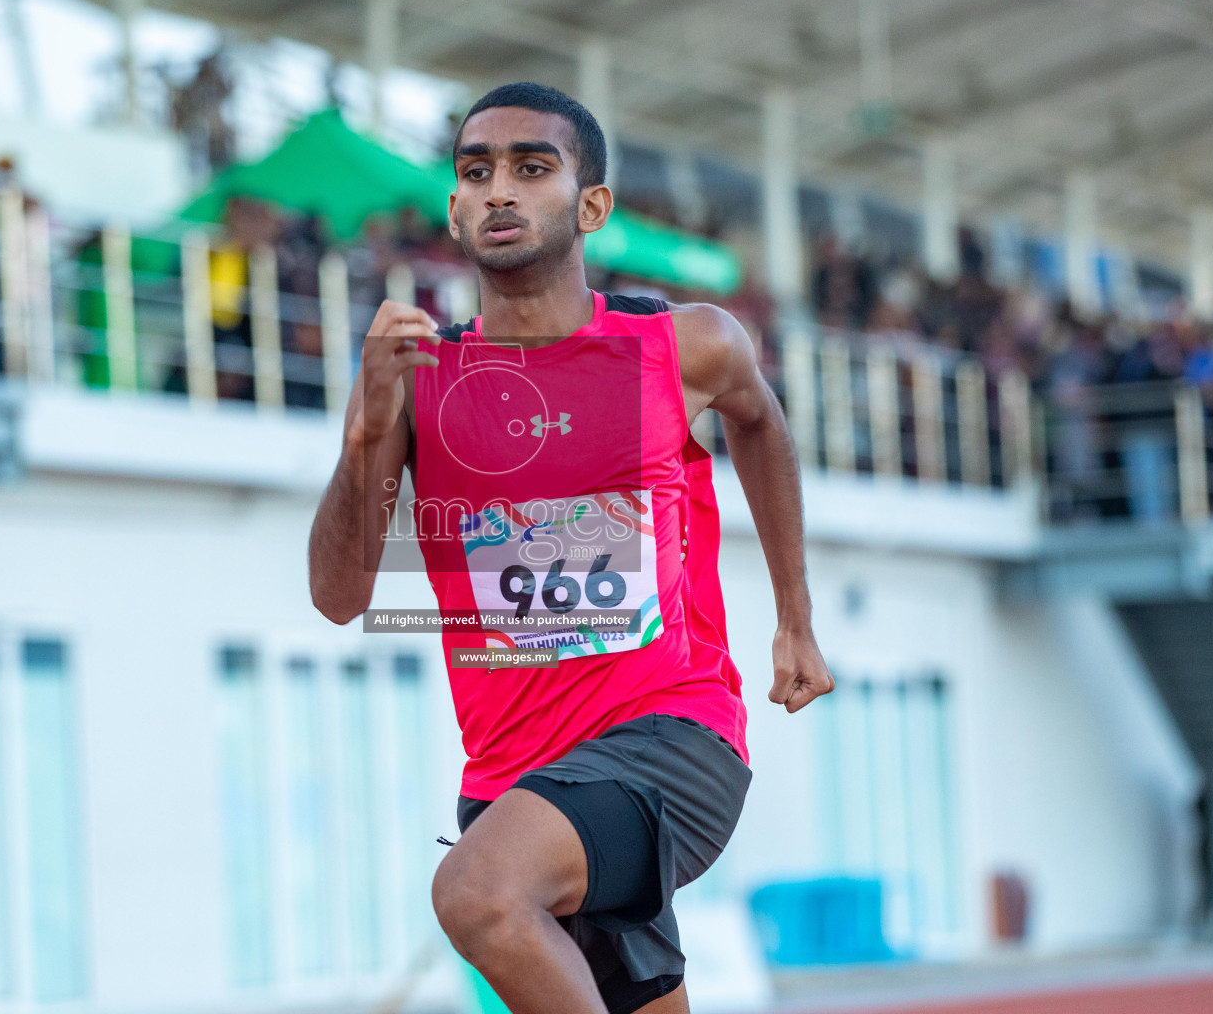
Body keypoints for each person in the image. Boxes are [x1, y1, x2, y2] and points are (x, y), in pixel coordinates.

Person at [308, 82, 832, 1014]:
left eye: (531, 168)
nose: (499, 190)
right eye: (477, 172)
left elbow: (760, 423)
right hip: (514, 779)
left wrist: (795, 619)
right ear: (455, 211)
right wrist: (363, 432)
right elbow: (343, 593)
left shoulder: (683, 347)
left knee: (477, 894)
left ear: (591, 206)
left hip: (670, 738)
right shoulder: (419, 382)